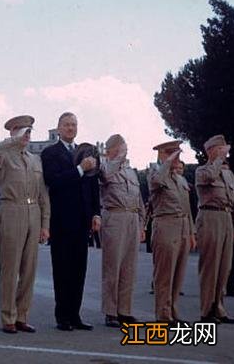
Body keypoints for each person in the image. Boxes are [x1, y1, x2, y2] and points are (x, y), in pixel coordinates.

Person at [0, 115, 50, 334]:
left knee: (29, 269)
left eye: (30, 131)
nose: (27, 135)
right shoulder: (3, 156)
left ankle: (22, 315)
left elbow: (43, 194)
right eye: (23, 131)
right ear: (12, 132)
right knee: (10, 267)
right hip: (12, 209)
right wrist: (13, 140)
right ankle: (8, 317)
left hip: (33, 211)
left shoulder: (35, 160)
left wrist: (45, 224)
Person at [41, 112, 99, 332]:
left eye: (74, 124)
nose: (70, 128)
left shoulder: (84, 152)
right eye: (66, 125)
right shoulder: (50, 153)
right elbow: (53, 182)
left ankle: (75, 315)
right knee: (62, 270)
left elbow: (92, 186)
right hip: (61, 221)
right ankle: (62, 316)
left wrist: (96, 213)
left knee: (79, 271)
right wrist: (79, 169)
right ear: (58, 128)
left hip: (82, 222)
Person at [194, 135, 234, 323]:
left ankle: (219, 308)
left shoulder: (229, 174)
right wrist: (217, 161)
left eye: (225, 149)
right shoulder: (203, 170)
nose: (225, 152)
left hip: (226, 219)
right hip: (210, 217)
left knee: (224, 267)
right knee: (210, 267)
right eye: (220, 149)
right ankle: (206, 311)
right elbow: (209, 177)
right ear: (210, 151)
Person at [98, 134, 146, 327]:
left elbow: (139, 200)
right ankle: (110, 312)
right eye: (121, 148)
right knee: (113, 267)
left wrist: (142, 225)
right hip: (114, 217)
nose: (125, 151)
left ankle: (124, 310)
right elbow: (105, 176)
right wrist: (117, 159)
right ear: (111, 150)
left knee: (129, 267)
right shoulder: (105, 166)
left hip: (132, 218)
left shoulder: (130, 172)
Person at [148, 140, 195, 324]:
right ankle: (163, 314)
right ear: (162, 155)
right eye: (172, 154)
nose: (177, 158)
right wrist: (167, 163)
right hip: (165, 226)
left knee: (178, 273)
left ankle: (174, 311)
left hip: (182, 227)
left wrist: (191, 233)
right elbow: (158, 180)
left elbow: (187, 208)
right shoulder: (155, 174)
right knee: (165, 274)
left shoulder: (180, 179)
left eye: (178, 154)